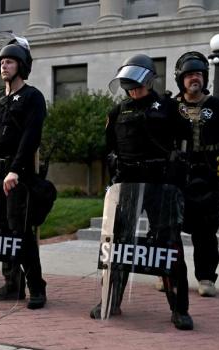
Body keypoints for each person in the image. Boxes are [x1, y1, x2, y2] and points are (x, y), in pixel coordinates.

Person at [90, 54, 193, 330]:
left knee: (169, 244)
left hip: (160, 185)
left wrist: (179, 167)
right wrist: (112, 164)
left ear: (148, 79)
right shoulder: (117, 112)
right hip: (128, 185)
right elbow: (108, 146)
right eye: (127, 84)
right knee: (117, 244)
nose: (131, 89)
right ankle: (110, 300)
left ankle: (179, 308)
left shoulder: (170, 107)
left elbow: (187, 138)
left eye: (135, 83)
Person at [0, 36, 48, 310]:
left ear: (22, 65)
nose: (4, 66)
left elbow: (31, 137)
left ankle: (37, 287)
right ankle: (12, 283)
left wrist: (15, 170)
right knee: (0, 231)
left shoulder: (33, 97)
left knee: (21, 232)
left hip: (18, 177)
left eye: (10, 61)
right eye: (2, 62)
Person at [172, 51, 219, 297]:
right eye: (190, 75)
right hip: (177, 178)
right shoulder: (171, 107)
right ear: (180, 79)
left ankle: (205, 278)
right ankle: (171, 275)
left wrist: (217, 156)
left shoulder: (217, 106)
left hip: (208, 179)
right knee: (170, 228)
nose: (195, 79)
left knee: (206, 232)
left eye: (199, 75)